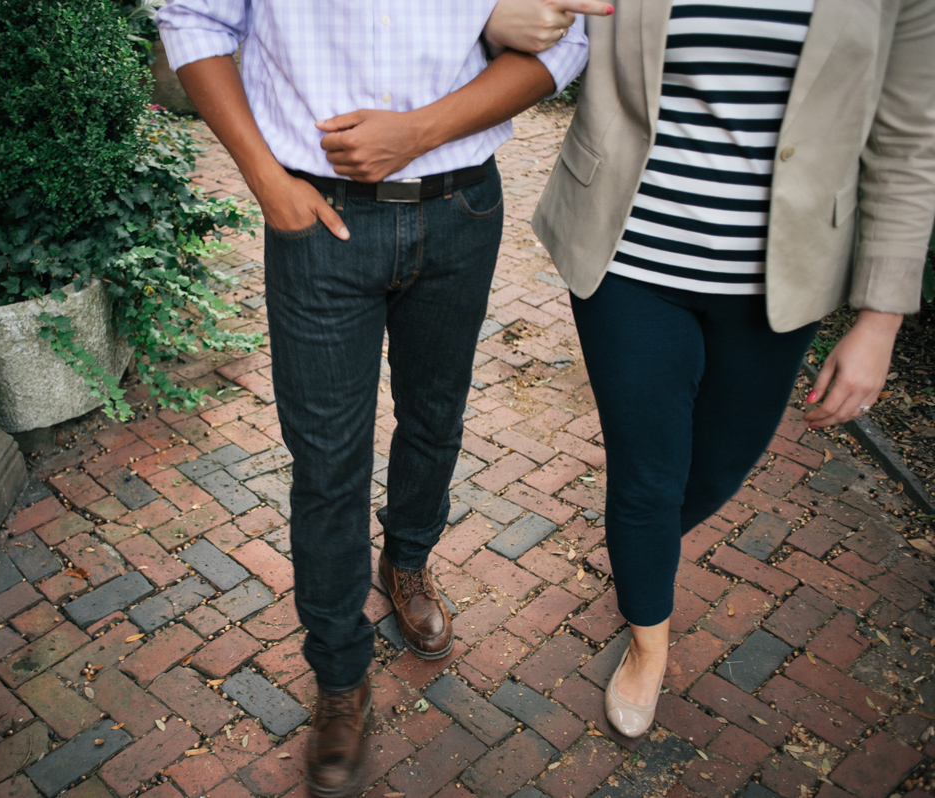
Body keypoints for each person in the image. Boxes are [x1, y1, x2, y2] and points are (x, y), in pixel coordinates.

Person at [155, 1, 607, 794]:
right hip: (315, 215)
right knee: (327, 460)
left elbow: (565, 37)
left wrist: (423, 129)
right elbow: (195, 20)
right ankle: (338, 675)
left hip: (461, 206)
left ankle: (407, 560)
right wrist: (266, 179)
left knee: (435, 416)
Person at [530, 0, 935, 737]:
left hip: (780, 280)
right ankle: (648, 640)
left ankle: (640, 546)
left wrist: (880, 318)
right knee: (648, 473)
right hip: (631, 257)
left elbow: (909, 142)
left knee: (713, 472)